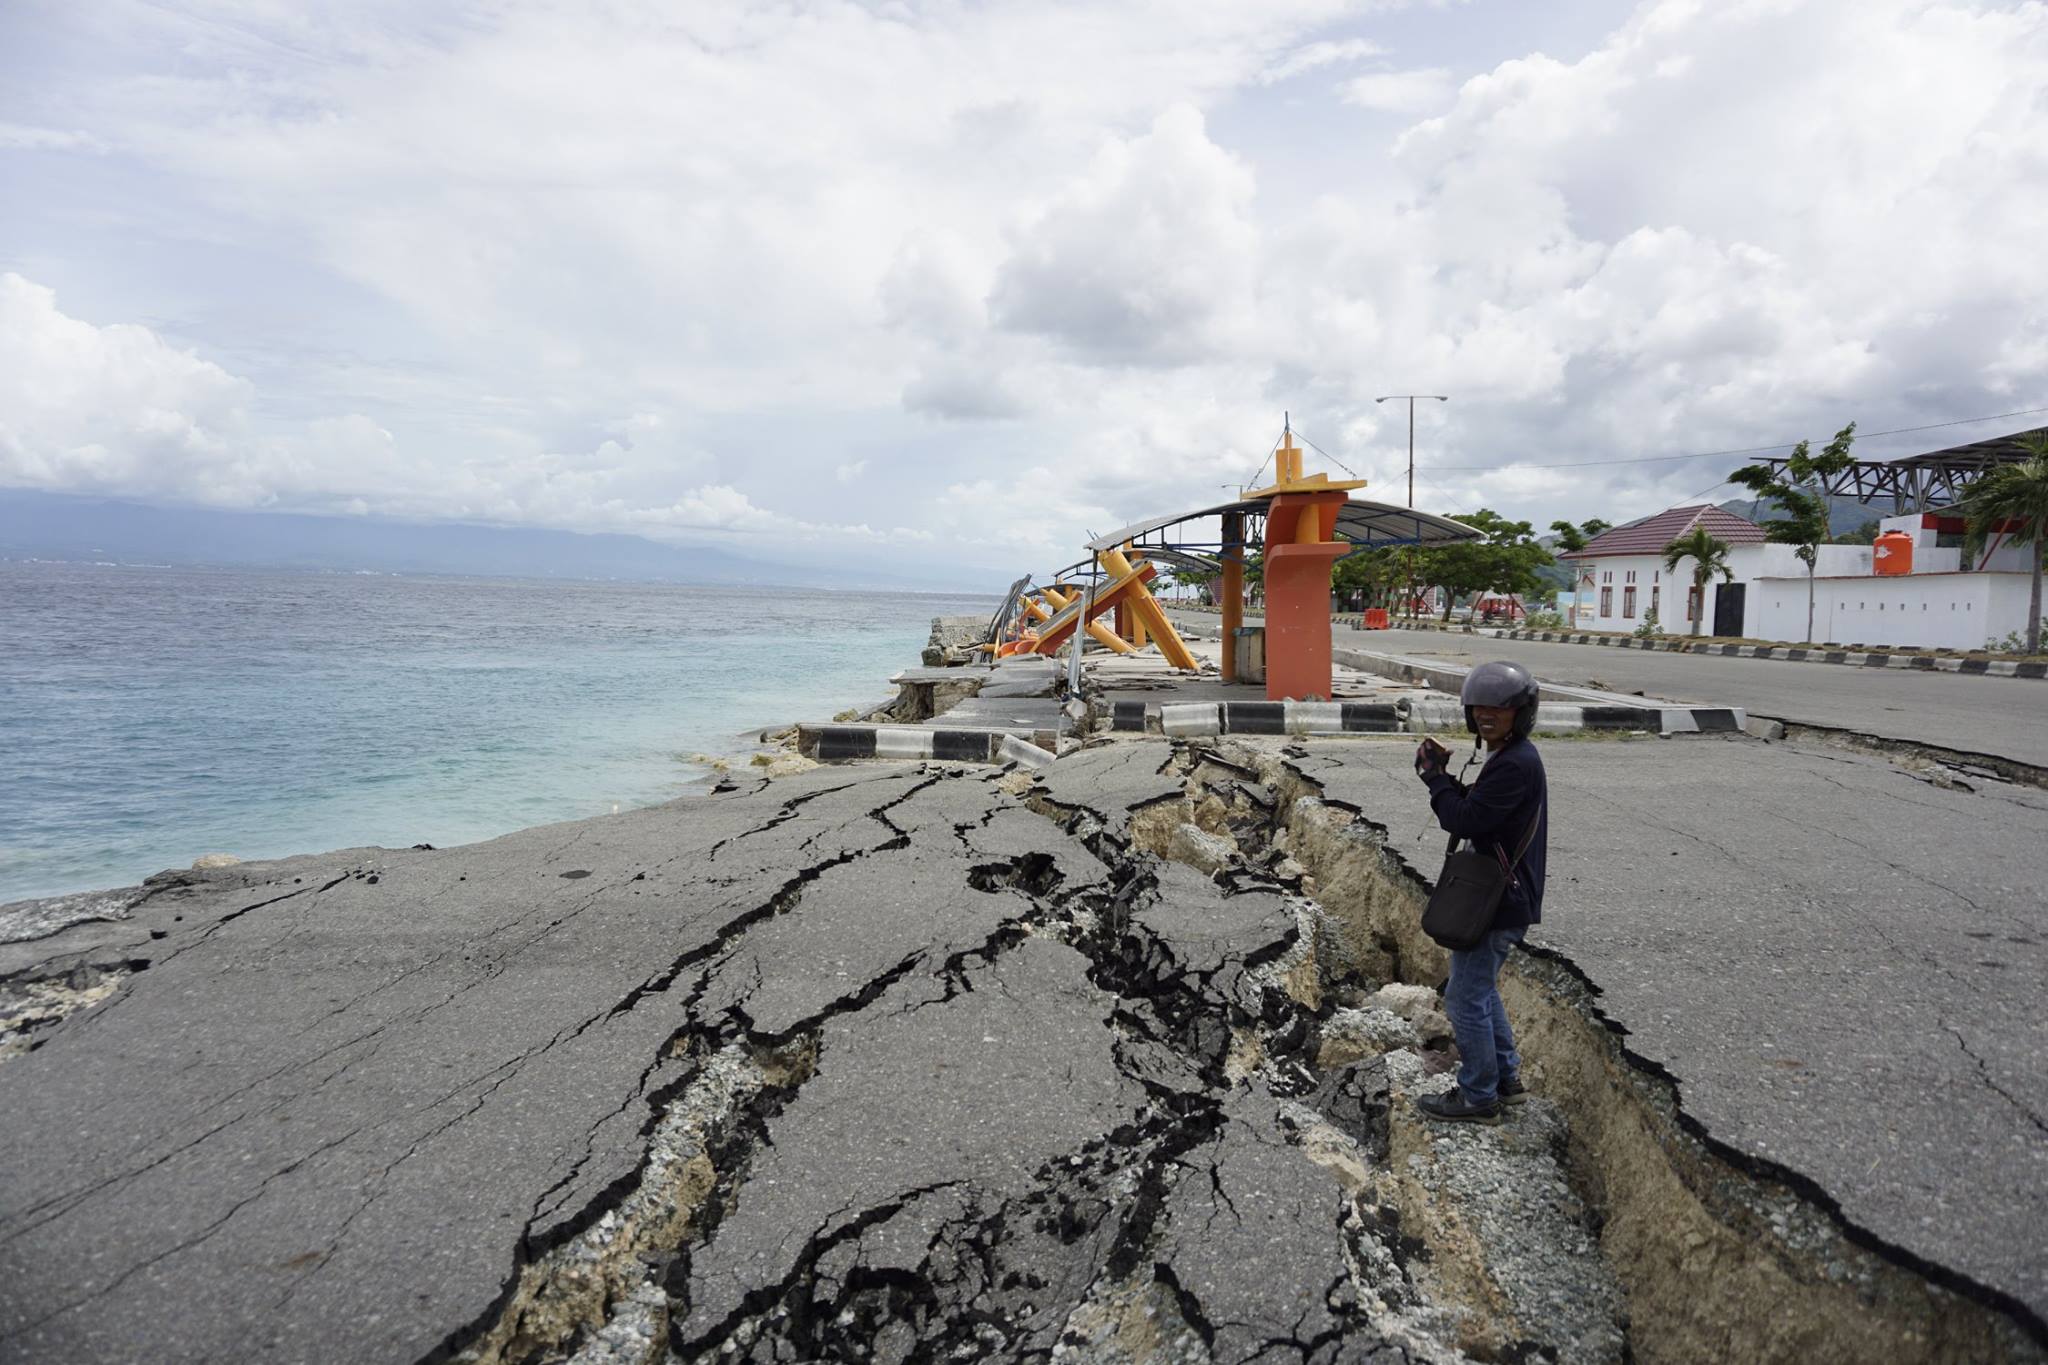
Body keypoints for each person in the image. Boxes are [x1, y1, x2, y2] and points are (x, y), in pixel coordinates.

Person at [1411, 660, 1548, 1123]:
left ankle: (1478, 1096)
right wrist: (1447, 779)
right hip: (1504, 896)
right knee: (1481, 990)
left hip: (1497, 903)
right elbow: (1478, 809)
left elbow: (1466, 820)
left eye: (1500, 710)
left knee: (1463, 998)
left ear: (1521, 713)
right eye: (1479, 710)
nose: (1487, 717)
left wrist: (1432, 779)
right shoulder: (1509, 757)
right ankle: (1506, 1080)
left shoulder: (1515, 764)